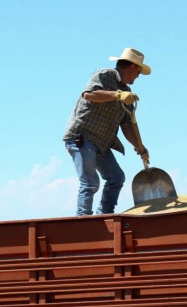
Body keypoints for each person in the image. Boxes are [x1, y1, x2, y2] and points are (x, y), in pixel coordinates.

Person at [63, 47, 151, 215]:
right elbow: (89, 95)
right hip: (82, 137)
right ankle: (83, 220)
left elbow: (128, 123)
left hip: (101, 143)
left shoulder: (127, 92)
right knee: (90, 182)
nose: (138, 76)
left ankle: (105, 214)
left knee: (116, 178)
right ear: (132, 67)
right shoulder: (105, 75)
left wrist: (140, 146)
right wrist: (116, 95)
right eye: (138, 72)